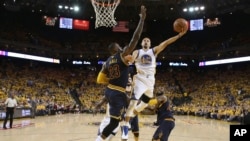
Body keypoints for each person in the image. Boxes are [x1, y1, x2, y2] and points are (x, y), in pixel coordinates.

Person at [123, 23, 187, 139]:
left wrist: (179, 35)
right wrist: (129, 60)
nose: (146, 42)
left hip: (151, 81)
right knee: (134, 100)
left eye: (148, 40)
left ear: (150, 43)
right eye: (144, 40)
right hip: (140, 79)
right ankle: (126, 125)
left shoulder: (154, 51)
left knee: (144, 104)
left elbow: (166, 42)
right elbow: (131, 60)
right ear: (142, 43)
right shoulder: (137, 51)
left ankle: (131, 115)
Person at [95, 5, 146, 141]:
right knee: (113, 123)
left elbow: (100, 79)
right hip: (117, 93)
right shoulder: (121, 56)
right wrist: (142, 20)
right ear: (116, 49)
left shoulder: (107, 61)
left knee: (127, 108)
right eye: (119, 46)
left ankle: (124, 132)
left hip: (111, 91)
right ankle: (100, 139)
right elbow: (135, 39)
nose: (122, 47)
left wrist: (110, 83)